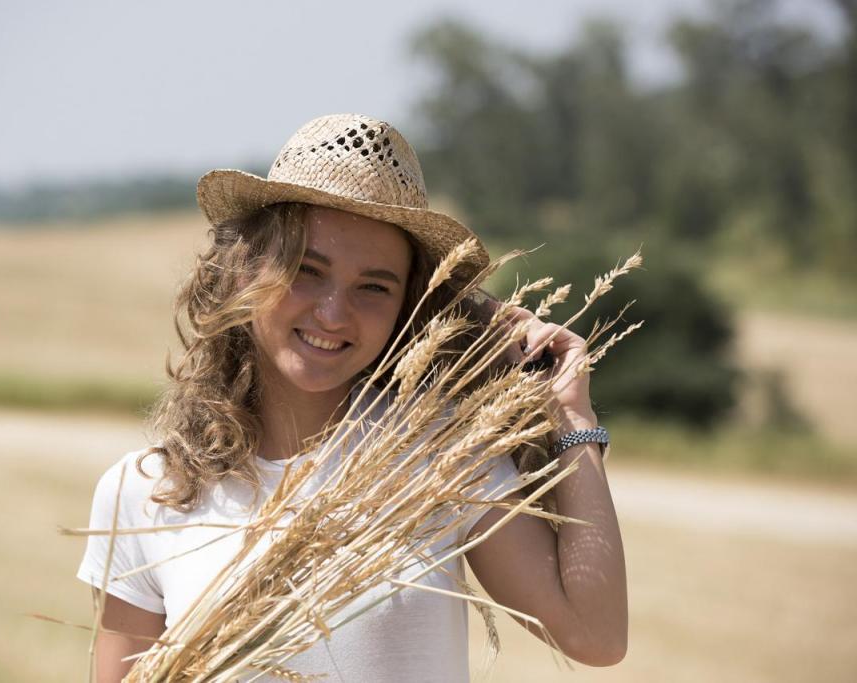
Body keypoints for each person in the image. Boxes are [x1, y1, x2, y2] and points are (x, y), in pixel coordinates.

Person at [77, 113, 627, 682]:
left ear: (405, 308)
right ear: (246, 271)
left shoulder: (433, 460)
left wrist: (571, 420)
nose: (333, 313)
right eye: (306, 271)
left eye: (373, 286)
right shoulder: (144, 493)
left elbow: (596, 636)